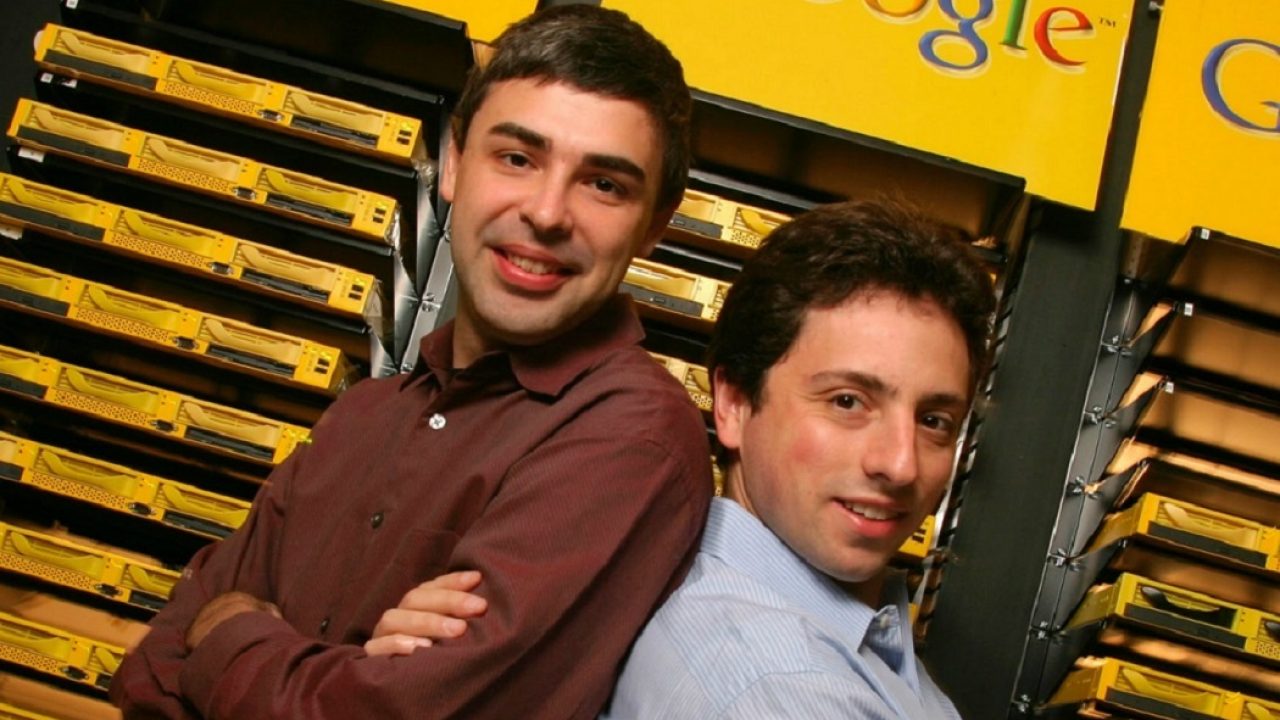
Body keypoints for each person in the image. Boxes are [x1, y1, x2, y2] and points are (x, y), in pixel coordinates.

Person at [110, 6, 712, 719]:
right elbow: (148, 673)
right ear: (454, 163)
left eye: (605, 184)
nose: (548, 213)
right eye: (517, 158)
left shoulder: (631, 441)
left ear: (654, 225)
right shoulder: (366, 411)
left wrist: (229, 633)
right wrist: (342, 674)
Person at [602, 201, 996, 718]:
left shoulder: (840, 635)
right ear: (734, 404)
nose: (902, 465)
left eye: (934, 420)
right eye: (847, 402)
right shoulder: (779, 685)